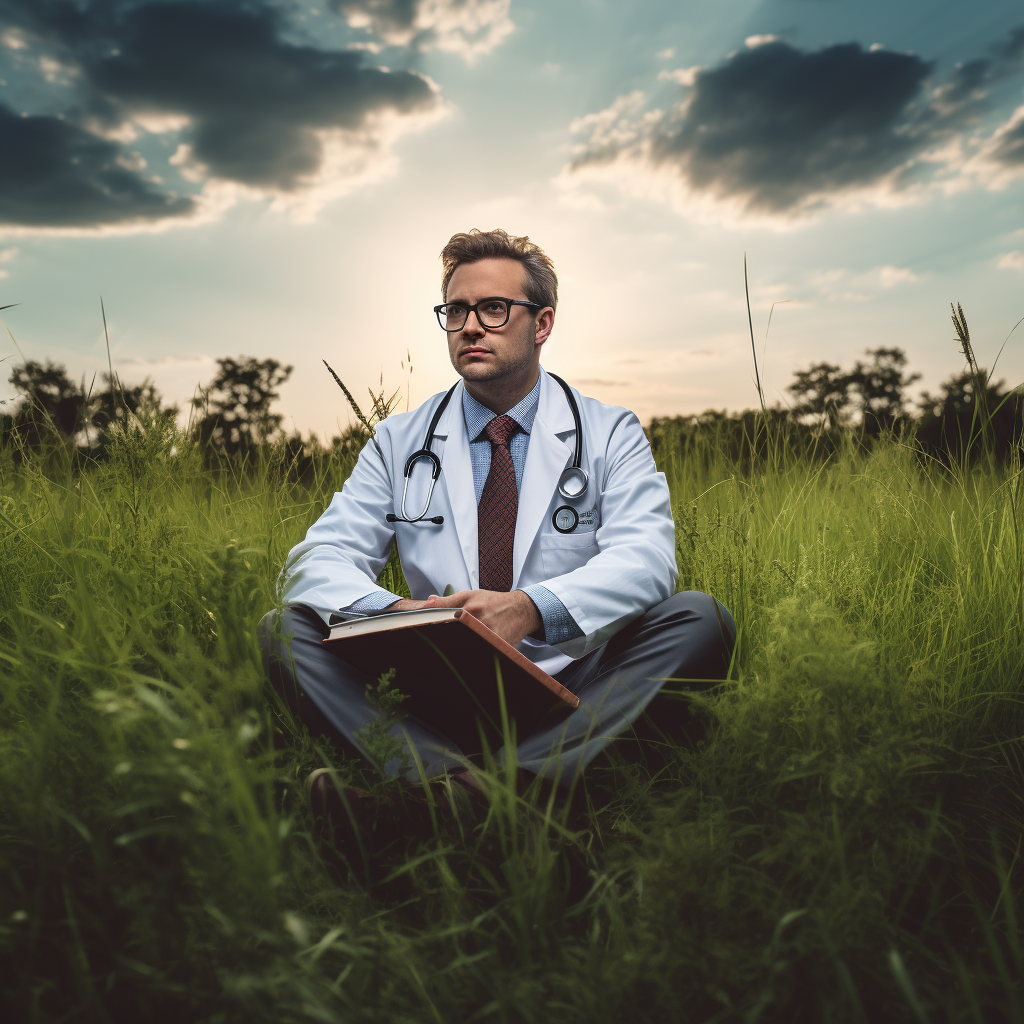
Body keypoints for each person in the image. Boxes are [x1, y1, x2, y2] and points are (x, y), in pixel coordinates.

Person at [260, 228, 735, 848]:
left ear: (541, 324)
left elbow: (647, 562)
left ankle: (443, 807)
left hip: (570, 682)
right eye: (455, 311)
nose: (469, 327)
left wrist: (529, 610)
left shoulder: (610, 432)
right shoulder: (399, 441)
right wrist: (396, 613)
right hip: (435, 681)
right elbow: (315, 562)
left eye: (492, 309)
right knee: (285, 629)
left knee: (701, 619)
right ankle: (468, 792)